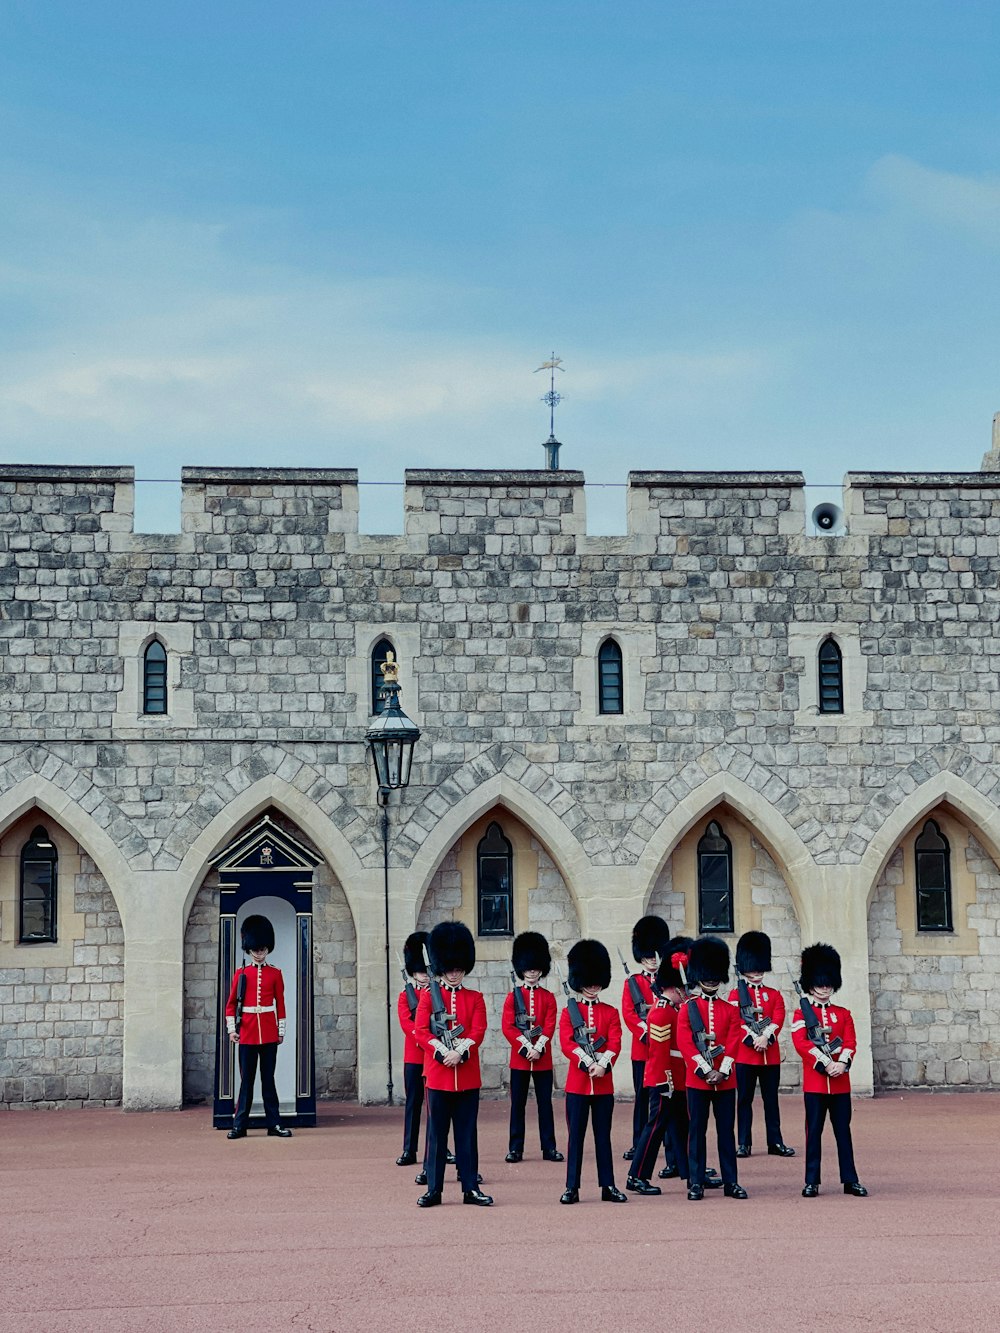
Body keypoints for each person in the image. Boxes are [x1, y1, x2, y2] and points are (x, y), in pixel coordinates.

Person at [414, 920, 493, 1207]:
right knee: (437, 1135)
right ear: (441, 968)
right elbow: (420, 1031)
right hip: (438, 1075)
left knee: (467, 1134)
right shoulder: (427, 998)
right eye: (450, 969)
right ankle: (434, 1189)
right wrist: (440, 1052)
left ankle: (470, 1188)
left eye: (459, 969)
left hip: (467, 1075)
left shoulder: (475, 998)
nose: (455, 974)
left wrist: (459, 1051)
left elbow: (479, 1030)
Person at [792, 943, 868, 1198]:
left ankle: (850, 1179)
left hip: (839, 1083)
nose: (824, 988)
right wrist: (825, 1063)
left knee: (843, 1133)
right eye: (820, 983)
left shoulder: (842, 1014)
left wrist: (841, 1064)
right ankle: (812, 1181)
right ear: (810, 983)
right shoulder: (801, 1014)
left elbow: (850, 1042)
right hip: (815, 1084)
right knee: (813, 1132)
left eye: (828, 984)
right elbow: (801, 1043)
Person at [676, 935, 746, 1200]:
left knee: (726, 1132)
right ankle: (696, 1182)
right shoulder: (688, 1009)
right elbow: (685, 1043)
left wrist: (723, 1069)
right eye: (707, 975)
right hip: (698, 1080)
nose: (711, 980)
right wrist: (705, 1070)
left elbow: (734, 1040)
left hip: (725, 1080)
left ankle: (731, 1182)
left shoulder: (730, 1009)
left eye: (715, 975)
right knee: (697, 1131)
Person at [558, 939, 627, 1205]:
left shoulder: (610, 1012)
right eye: (588, 981)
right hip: (578, 1084)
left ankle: (607, 1185)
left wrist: (603, 1064)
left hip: (603, 1084)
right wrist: (588, 1063)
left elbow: (615, 1041)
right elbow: (567, 1043)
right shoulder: (568, 1013)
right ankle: (571, 1187)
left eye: (596, 981)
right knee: (576, 1138)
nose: (592, 986)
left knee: (602, 1138)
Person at [728, 930, 795, 1159]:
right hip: (746, 1056)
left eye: (759, 969)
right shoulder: (736, 995)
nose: (757, 974)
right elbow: (735, 1020)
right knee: (744, 1099)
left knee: (771, 1100)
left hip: (770, 1055)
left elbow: (778, 1017)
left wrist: (766, 1037)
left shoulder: (773, 994)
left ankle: (775, 1141)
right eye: (753, 969)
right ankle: (744, 1143)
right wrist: (752, 1039)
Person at [225, 914, 292, 1139]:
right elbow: (231, 1004)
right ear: (249, 948)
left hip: (269, 1033)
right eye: (256, 949)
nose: (260, 952)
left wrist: (280, 1031)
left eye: (263, 948)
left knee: (268, 1081)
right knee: (247, 1082)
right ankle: (239, 1125)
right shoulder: (241, 974)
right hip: (247, 1034)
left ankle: (274, 1124)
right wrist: (232, 1029)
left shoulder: (276, 973)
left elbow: (280, 1004)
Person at [626, 945, 685, 1195]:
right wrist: (665, 1082)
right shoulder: (661, 1013)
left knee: (683, 1127)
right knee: (654, 1128)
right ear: (673, 988)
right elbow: (659, 1053)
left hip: (676, 1079)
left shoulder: (671, 1009)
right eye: (682, 989)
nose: (685, 993)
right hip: (665, 1081)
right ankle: (636, 1176)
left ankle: (691, 1171)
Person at [501, 931, 563, 1164]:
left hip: (542, 1058)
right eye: (528, 968)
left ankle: (549, 1147)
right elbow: (508, 1027)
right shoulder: (512, 997)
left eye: (536, 967)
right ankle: (516, 1148)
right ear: (521, 968)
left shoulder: (548, 998)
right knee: (518, 1104)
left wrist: (538, 1047)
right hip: (520, 1058)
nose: (532, 971)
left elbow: (549, 1025)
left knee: (544, 1104)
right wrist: (527, 1046)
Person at [621, 914, 670, 1162]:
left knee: (668, 1096)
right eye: (648, 957)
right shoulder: (633, 982)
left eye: (655, 956)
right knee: (642, 1098)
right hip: (642, 1049)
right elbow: (629, 1014)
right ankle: (638, 1142)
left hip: (666, 1049)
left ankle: (670, 1144)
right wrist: (646, 1032)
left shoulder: (667, 981)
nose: (652, 961)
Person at [396, 930, 430, 1169]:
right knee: (413, 1103)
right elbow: (407, 1024)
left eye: (426, 970)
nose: (423, 975)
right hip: (415, 1056)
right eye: (419, 971)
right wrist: (424, 1039)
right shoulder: (404, 996)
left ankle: (440, 1147)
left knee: (436, 1106)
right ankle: (409, 1149)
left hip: (435, 1058)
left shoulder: (438, 995)